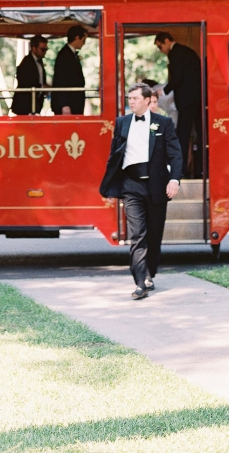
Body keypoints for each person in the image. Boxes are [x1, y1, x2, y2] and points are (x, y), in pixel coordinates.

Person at [99, 84, 182, 299]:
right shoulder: (122, 122)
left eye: (135, 98)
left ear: (147, 100)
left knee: (154, 234)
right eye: (130, 98)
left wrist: (174, 179)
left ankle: (149, 273)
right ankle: (139, 282)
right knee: (137, 235)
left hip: (156, 186)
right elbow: (114, 156)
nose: (131, 101)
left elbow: (175, 154)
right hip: (131, 185)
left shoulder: (163, 123)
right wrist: (110, 184)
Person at [154, 32, 202, 178]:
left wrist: (164, 91)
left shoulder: (175, 54)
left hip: (186, 101)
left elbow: (177, 78)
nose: (161, 50)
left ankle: (180, 169)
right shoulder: (187, 52)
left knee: (182, 134)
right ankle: (200, 168)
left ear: (167, 41)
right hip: (198, 98)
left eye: (160, 46)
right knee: (200, 134)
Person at [51, 25, 87, 114]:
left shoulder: (70, 54)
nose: (84, 43)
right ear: (77, 38)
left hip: (73, 102)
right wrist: (64, 105)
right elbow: (60, 80)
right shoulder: (65, 55)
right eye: (83, 40)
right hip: (69, 104)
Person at [11, 35, 49, 115]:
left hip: (35, 104)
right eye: (42, 49)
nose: (45, 52)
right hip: (25, 104)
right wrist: (42, 87)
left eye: (46, 49)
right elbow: (25, 82)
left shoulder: (39, 62)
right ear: (34, 49)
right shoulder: (26, 63)